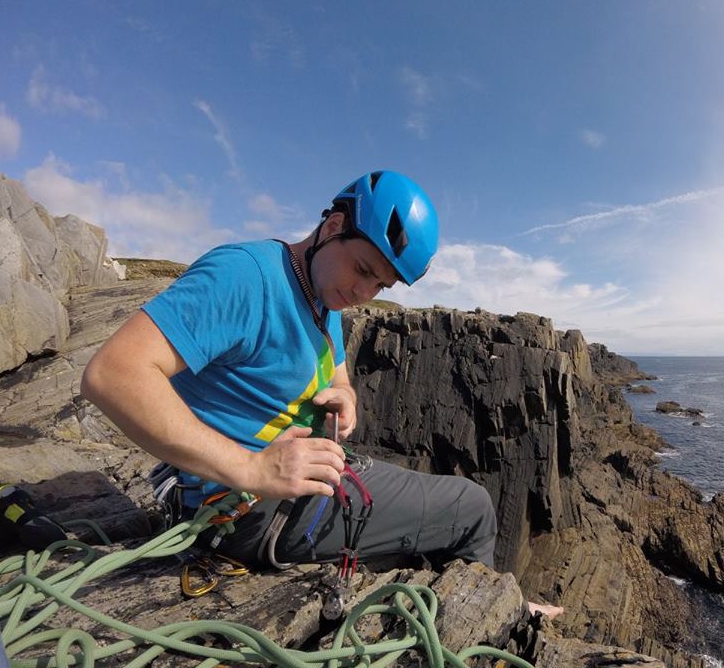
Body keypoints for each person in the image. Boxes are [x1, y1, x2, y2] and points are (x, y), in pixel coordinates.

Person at [81, 170, 561, 617]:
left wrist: (345, 396)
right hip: (242, 510)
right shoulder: (246, 276)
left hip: (287, 487)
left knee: (426, 525)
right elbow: (113, 374)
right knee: (472, 508)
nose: (364, 292)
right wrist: (251, 468)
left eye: (380, 283)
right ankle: (498, 617)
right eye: (362, 268)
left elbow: (338, 375)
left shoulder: (323, 295)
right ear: (333, 226)